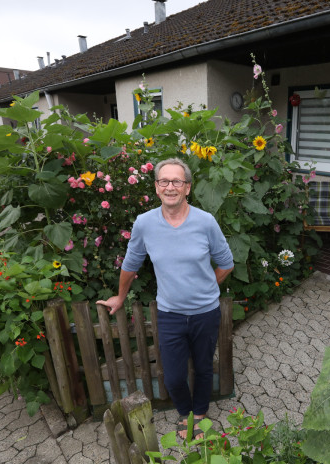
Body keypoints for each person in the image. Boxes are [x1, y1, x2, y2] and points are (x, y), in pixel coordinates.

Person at [97, 158, 234, 439]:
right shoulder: (145, 224)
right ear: (157, 187)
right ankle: (185, 412)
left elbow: (226, 263)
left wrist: (207, 287)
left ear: (187, 188)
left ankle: (200, 414)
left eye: (177, 181)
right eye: (164, 181)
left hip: (206, 312)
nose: (170, 186)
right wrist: (120, 297)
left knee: (204, 367)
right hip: (170, 314)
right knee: (173, 376)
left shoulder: (205, 222)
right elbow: (131, 265)